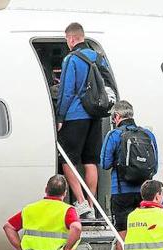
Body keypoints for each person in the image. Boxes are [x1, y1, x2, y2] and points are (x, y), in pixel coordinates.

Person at [56, 22, 115, 219]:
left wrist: (61, 116)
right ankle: (93, 203)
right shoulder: (98, 58)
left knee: (68, 160)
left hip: (75, 115)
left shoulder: (71, 59)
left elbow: (66, 90)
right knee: (90, 160)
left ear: (71, 38)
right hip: (95, 115)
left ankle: (81, 203)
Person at [101, 100, 158, 250]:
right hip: (144, 193)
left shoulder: (114, 135)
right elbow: (155, 166)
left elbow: (104, 163)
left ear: (116, 117)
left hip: (121, 193)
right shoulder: (147, 134)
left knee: (123, 237)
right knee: (144, 234)